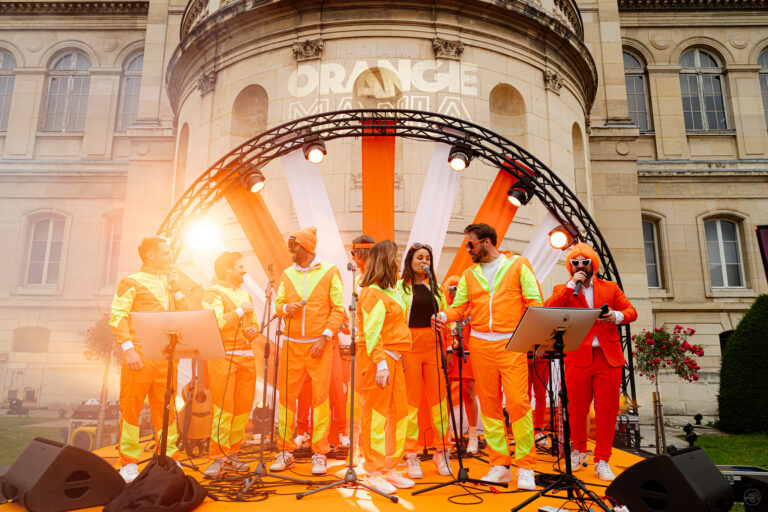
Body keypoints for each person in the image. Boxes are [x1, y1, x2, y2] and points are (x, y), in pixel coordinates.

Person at [433, 223, 541, 489]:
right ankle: (499, 465)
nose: (468, 249)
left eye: (471, 244)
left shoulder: (518, 265)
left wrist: (529, 337)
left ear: (486, 242)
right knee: (490, 407)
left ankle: (526, 466)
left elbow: (535, 302)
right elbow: (460, 307)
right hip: (480, 345)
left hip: (511, 344)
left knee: (517, 403)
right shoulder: (469, 274)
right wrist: (444, 316)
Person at [544, 242, 637, 481]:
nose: (581, 266)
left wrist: (615, 316)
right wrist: (568, 287)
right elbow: (548, 309)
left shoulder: (610, 287)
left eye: (586, 262)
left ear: (593, 264)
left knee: (607, 411)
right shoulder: (563, 289)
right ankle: (578, 451)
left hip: (608, 358)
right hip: (577, 357)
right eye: (576, 263)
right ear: (570, 266)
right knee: (575, 409)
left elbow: (631, 312)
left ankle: (603, 459)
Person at [110, 236, 189, 483]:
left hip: (165, 355)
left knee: (166, 408)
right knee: (131, 407)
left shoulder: (168, 284)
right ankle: (128, 462)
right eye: (165, 253)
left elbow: (185, 313)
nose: (170, 257)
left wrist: (176, 287)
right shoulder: (131, 281)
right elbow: (118, 315)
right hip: (140, 353)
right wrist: (128, 348)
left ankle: (169, 455)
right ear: (150, 255)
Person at [271, 227, 346, 476]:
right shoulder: (286, 274)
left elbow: (338, 309)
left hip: (318, 345)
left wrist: (325, 336)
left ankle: (320, 453)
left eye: (294, 246)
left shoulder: (329, 271)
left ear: (306, 248)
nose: (290, 251)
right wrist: (285, 309)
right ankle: (285, 450)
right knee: (286, 399)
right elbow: (278, 306)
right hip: (292, 344)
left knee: (320, 399)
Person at [357, 240, 414, 494]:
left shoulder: (392, 290)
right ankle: (372, 469)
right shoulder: (371, 292)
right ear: (386, 260)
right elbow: (372, 333)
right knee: (377, 414)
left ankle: (389, 466)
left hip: (394, 358)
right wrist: (381, 364)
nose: (399, 261)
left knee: (398, 413)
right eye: (397, 256)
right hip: (380, 360)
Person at [201, 251, 259, 477]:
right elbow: (213, 322)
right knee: (223, 408)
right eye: (239, 266)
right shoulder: (212, 293)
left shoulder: (245, 295)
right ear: (226, 269)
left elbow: (252, 323)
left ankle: (232, 454)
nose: (244, 270)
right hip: (223, 355)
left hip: (246, 356)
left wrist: (254, 330)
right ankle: (217, 457)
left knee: (242, 408)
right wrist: (238, 311)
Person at [397, 243, 452, 478]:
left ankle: (442, 451)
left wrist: (448, 348)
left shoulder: (436, 289)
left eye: (427, 258)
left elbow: (446, 320)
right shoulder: (400, 288)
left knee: (439, 403)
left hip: (434, 348)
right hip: (409, 348)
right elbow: (395, 320)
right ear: (410, 261)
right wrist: (397, 352)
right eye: (419, 258)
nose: (424, 262)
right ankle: (411, 454)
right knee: (410, 404)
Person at [443, 275, 479, 455]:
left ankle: (473, 435)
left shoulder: (470, 309)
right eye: (451, 289)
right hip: (448, 354)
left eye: (457, 288)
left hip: (467, 353)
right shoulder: (443, 308)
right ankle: (447, 435)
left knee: (468, 393)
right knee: (447, 394)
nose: (454, 292)